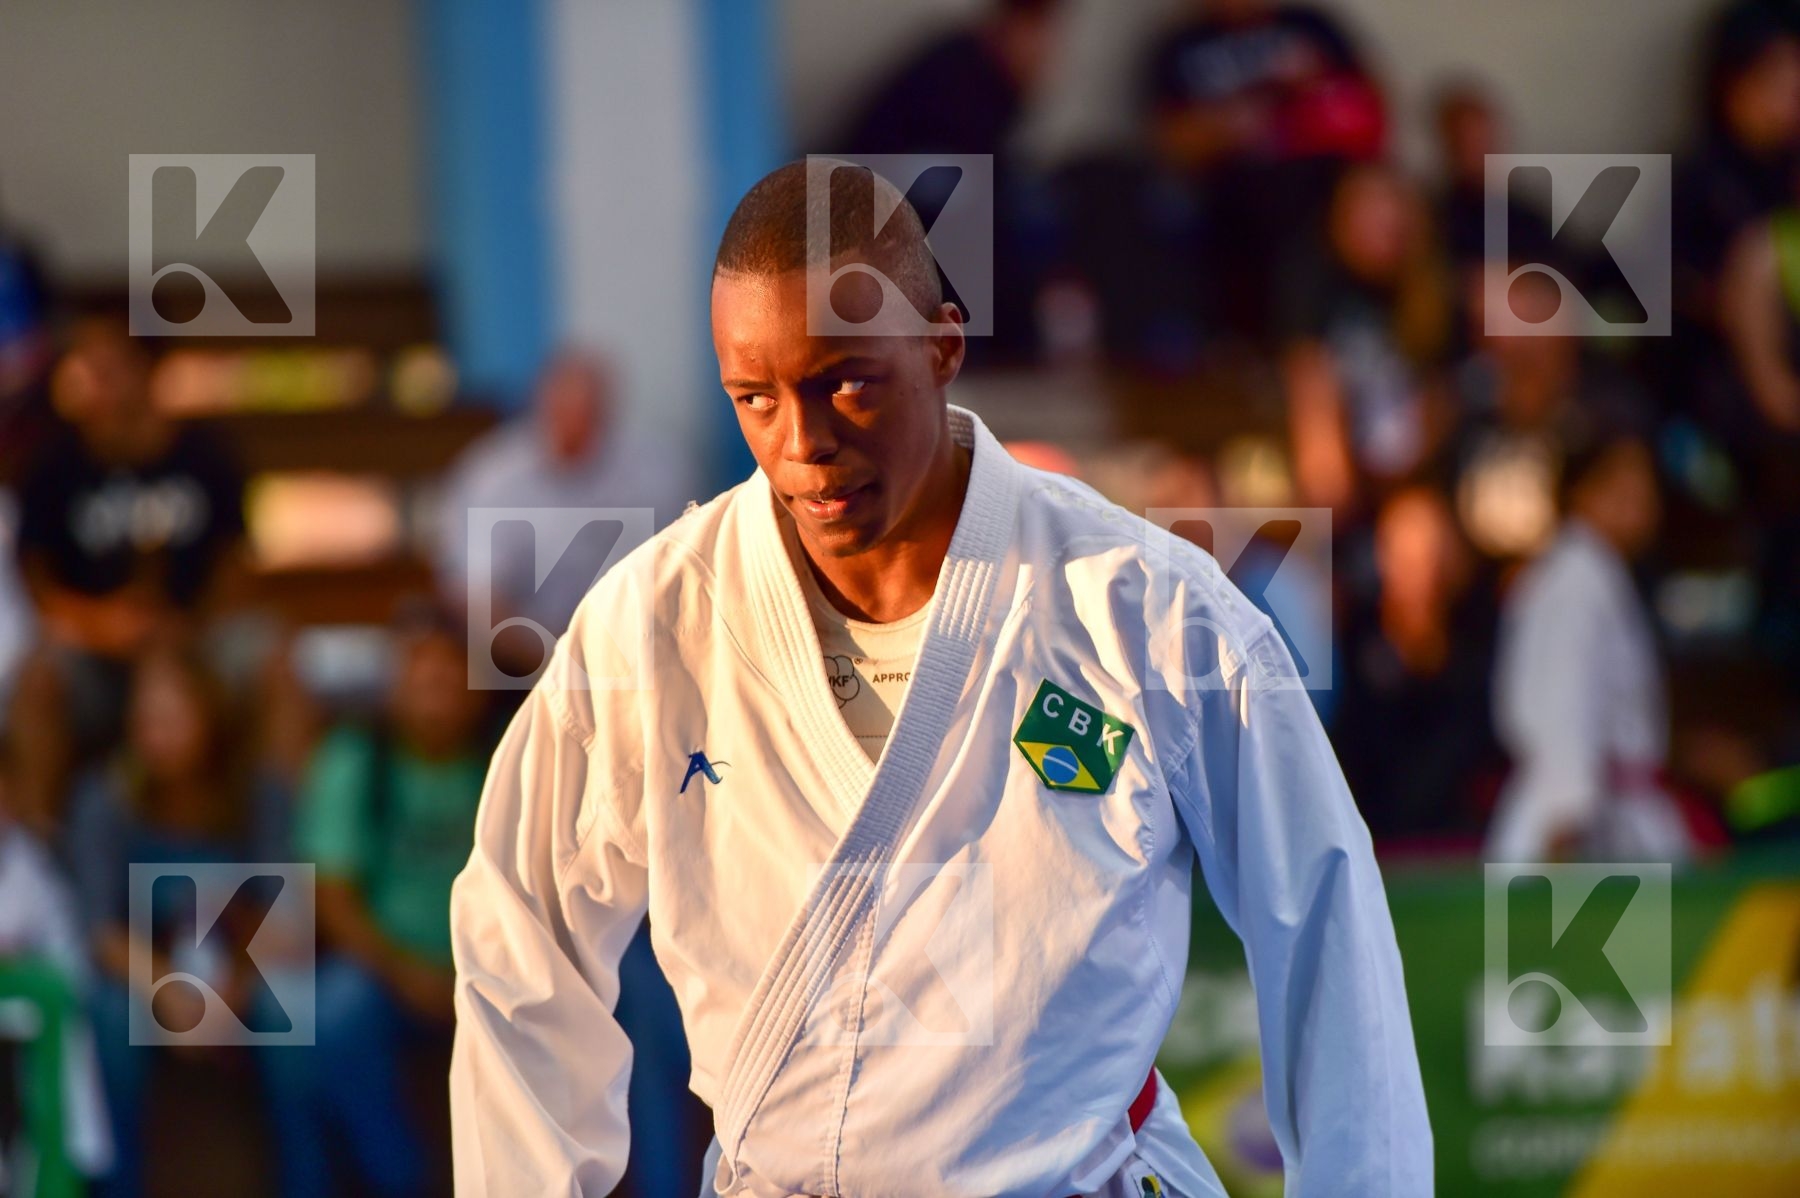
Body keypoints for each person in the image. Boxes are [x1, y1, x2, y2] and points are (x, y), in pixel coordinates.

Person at [449, 160, 1430, 1196]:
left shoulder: (1145, 612)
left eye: (848, 381)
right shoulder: (654, 626)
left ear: (944, 345)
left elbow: (1325, 917)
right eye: (756, 397)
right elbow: (520, 941)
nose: (804, 443)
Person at [273, 602, 489, 1197]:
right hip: (382, 973)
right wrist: (407, 975)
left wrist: (474, 973)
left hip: (494, 970)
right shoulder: (353, 759)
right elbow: (332, 893)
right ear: (391, 684)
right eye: (419, 669)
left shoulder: (508, 757)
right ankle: (400, 1179)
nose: (435, 685)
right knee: (330, 1012)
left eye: (450, 670)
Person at [10, 319, 245, 829]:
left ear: (146, 369)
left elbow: (235, 564)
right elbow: (38, 584)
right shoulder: (53, 464)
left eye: (106, 368)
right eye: (82, 368)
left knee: (274, 663)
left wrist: (190, 630)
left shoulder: (204, 455)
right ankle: (40, 847)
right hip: (96, 652)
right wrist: (104, 625)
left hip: (197, 639)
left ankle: (282, 858)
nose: (89, 381)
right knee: (37, 678)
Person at [67, 644, 278, 1198]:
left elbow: (280, 909)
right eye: (145, 718)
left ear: (210, 714)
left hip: (240, 976)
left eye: (172, 717)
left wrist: (233, 990)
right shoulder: (104, 798)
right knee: (107, 1014)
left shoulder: (256, 793)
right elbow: (98, 926)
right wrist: (168, 989)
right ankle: (119, 1185)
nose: (155, 733)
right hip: (148, 979)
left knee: (297, 1008)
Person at [1486, 431, 1695, 863]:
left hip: (1610, 813)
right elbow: (1564, 701)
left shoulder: (1593, 571)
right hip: (1580, 828)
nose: (1641, 497)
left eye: (1645, 482)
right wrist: (1567, 818)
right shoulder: (1577, 579)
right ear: (1581, 492)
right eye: (1621, 482)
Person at [436, 348, 694, 674]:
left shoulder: (659, 470)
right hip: (517, 662)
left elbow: (684, 573)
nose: (575, 425)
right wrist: (556, 666)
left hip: (637, 654)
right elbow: (475, 596)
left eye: (589, 412)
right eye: (563, 409)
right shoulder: (491, 475)